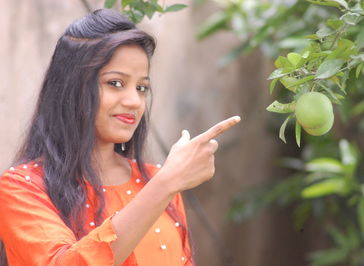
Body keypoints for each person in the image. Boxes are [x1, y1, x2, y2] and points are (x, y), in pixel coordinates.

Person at [0, 8, 240, 266]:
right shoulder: (21, 187)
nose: (134, 101)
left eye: (141, 88)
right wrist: (166, 184)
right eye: (115, 83)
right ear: (72, 87)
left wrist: (165, 183)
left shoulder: (157, 180)